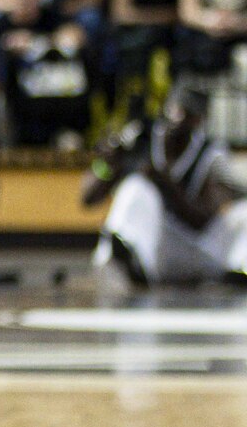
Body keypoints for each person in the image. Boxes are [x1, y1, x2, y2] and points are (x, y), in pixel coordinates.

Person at [88, 88, 247, 285]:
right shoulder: (138, 137)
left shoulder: (211, 153)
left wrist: (163, 182)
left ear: (199, 120)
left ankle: (240, 268)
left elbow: (203, 221)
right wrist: (107, 164)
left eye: (188, 114)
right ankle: (132, 260)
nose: (178, 119)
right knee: (135, 187)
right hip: (149, 247)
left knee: (243, 211)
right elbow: (88, 199)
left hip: (189, 250)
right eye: (175, 111)